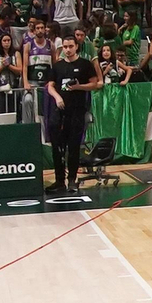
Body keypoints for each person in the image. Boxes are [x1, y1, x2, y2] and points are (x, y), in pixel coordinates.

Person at [44, 35, 101, 192]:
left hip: (76, 111)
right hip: (60, 112)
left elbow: (94, 84)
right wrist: (57, 97)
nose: (68, 50)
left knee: (74, 147)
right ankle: (59, 180)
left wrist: (78, 87)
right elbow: (50, 86)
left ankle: (72, 180)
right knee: (58, 147)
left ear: (76, 46)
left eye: (70, 46)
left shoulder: (85, 64)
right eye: (65, 47)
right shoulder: (58, 66)